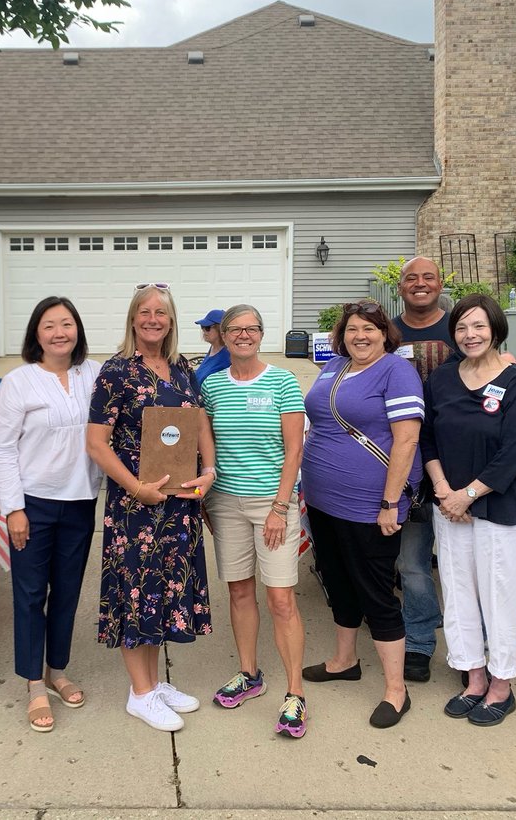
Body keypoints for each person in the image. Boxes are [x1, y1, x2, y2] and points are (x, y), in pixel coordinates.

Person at [86, 283, 215, 732]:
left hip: (178, 503)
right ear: (133, 318)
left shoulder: (182, 369)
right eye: (145, 311)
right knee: (135, 590)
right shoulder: (116, 372)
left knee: (161, 592)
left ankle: (154, 683)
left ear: (172, 320)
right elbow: (97, 444)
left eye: (161, 312)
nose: (153, 318)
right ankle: (140, 694)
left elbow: (198, 420)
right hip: (135, 507)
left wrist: (210, 468)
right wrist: (136, 488)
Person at [300, 300, 424, 729]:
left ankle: (396, 690)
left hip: (369, 505)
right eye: (353, 329)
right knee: (337, 582)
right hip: (322, 500)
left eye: (370, 329)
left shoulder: (397, 371)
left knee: (376, 593)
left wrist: (391, 503)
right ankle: (344, 660)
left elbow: (406, 442)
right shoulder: (333, 367)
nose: (360, 336)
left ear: (384, 333)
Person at [422, 293, 516, 727]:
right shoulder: (443, 379)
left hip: (500, 508)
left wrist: (467, 494)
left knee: (501, 596)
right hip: (449, 507)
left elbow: (515, 450)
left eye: (479, 326)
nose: (470, 335)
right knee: (458, 593)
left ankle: (501, 683)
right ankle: (472, 676)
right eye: (462, 327)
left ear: (495, 331)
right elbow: (428, 438)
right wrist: (443, 490)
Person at [0, 296, 102, 733]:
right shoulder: (19, 382)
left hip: (80, 501)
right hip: (33, 503)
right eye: (50, 325)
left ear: (78, 330)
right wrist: (12, 509)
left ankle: (57, 669)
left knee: (69, 592)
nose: (60, 332)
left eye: (67, 324)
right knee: (31, 594)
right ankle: (34, 683)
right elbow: (1, 449)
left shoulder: (93, 374)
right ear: (36, 333)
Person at [201, 305, 308, 737]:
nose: (243, 335)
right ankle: (250, 674)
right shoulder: (211, 386)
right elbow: (204, 446)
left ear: (262, 335)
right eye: (235, 329)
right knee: (240, 591)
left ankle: (296, 692)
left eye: (251, 329)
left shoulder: (282, 381)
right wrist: (206, 502)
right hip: (226, 502)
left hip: (272, 503)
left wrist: (281, 508)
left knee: (281, 598)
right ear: (222, 336)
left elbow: (294, 450)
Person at [390, 257, 456, 684]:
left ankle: (477, 647)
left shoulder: (460, 327)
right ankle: (418, 642)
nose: (420, 284)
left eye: (427, 277)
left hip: (456, 457)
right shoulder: (389, 332)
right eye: (411, 278)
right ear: (400, 287)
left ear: (440, 284)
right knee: (413, 564)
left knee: (461, 564)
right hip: (405, 459)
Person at [193, 308, 229, 388]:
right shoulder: (213, 348)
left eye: (207, 328)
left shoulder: (228, 356)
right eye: (202, 327)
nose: (204, 331)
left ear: (220, 329)